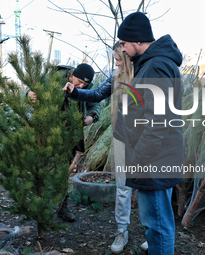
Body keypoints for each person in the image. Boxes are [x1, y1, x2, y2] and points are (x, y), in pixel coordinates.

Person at [63, 42, 148, 254]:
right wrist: (75, 92)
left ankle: (152, 233)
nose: (116, 63)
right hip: (122, 138)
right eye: (115, 60)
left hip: (145, 138)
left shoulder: (146, 73)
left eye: (119, 60)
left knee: (147, 187)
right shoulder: (115, 76)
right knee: (122, 187)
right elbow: (96, 94)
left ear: (129, 57)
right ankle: (122, 231)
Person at [117, 12, 184, 255]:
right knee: (156, 221)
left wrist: (140, 157)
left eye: (124, 43)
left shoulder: (157, 65)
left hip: (154, 161)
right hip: (155, 158)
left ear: (136, 40)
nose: (122, 49)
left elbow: (159, 121)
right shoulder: (153, 64)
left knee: (156, 224)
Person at [26, 63, 100, 222]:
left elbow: (94, 102)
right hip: (47, 130)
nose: (80, 86)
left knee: (63, 171)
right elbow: (30, 86)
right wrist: (29, 94)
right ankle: (40, 207)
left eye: (84, 84)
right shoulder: (54, 76)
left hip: (70, 134)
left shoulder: (86, 87)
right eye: (79, 81)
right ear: (72, 74)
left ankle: (62, 208)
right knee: (43, 169)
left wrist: (92, 116)